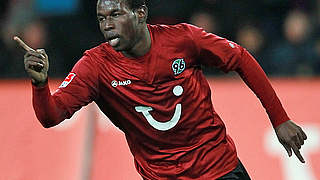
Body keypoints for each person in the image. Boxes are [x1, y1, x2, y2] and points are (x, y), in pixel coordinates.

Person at [15, 0, 307, 179]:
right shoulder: (95, 66)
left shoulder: (182, 40)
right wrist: (40, 85)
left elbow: (240, 57)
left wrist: (279, 118)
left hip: (218, 169)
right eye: (102, 19)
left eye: (116, 14)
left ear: (140, 13)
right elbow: (51, 116)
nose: (108, 25)